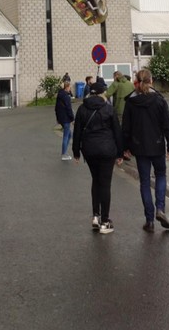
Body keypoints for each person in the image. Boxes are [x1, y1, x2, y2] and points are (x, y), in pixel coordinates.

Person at [122, 69, 169, 232]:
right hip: (157, 145)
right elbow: (167, 125)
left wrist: (126, 147)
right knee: (160, 175)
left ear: (137, 82)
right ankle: (160, 208)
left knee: (144, 181)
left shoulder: (131, 102)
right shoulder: (159, 100)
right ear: (151, 81)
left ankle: (149, 219)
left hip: (139, 147)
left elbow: (126, 128)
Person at [73, 81, 123, 234]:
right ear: (102, 93)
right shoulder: (108, 108)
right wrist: (120, 153)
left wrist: (76, 152)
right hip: (107, 150)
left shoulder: (82, 108)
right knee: (105, 184)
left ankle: (96, 215)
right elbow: (117, 132)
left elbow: (77, 132)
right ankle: (105, 221)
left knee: (95, 180)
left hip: (89, 150)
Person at [55, 81, 75, 160]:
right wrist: (72, 119)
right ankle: (64, 154)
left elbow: (56, 108)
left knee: (69, 134)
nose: (70, 89)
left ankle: (65, 152)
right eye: (70, 87)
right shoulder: (66, 97)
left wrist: (58, 118)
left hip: (61, 118)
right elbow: (69, 108)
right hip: (66, 118)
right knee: (66, 135)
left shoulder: (60, 95)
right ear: (67, 87)